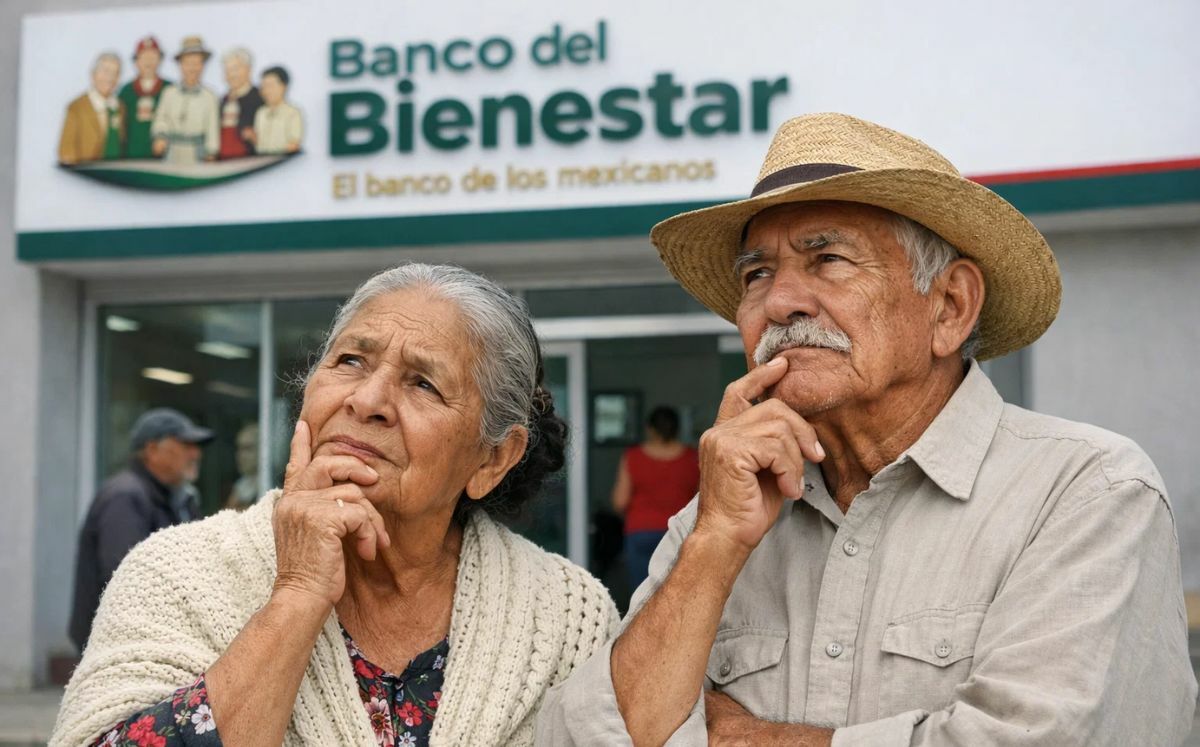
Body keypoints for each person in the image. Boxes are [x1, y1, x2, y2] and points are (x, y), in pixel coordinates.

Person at [537, 113, 1198, 745]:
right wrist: (713, 542)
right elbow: (582, 737)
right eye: (756, 273)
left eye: (827, 260)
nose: (779, 302)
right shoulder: (716, 516)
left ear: (950, 306)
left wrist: (738, 735)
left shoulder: (1087, 491)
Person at [52, 264, 619, 747]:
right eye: (350, 361)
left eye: (422, 383)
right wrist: (296, 595)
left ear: (492, 459)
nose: (367, 400)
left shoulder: (565, 611)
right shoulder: (177, 571)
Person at [68, 408, 213, 651]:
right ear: (152, 450)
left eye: (196, 446)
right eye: (185, 444)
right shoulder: (125, 496)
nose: (195, 453)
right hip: (116, 647)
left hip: (142, 641)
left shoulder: (178, 498)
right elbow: (125, 577)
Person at [611, 406, 699, 590]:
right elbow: (702, 501)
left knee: (642, 594)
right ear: (677, 428)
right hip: (681, 531)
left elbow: (620, 501)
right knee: (677, 592)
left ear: (650, 429)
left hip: (641, 531)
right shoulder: (693, 458)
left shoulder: (633, 456)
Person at [151, 35, 219, 164]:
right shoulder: (169, 93)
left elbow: (212, 129)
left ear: (203, 66)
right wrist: (160, 136)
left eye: (197, 63)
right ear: (180, 65)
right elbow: (161, 119)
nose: (192, 68)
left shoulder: (210, 97)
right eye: (188, 63)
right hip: (172, 151)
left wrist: (211, 152)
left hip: (197, 154)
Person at [58, 52, 125, 165]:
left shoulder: (120, 107)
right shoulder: (76, 108)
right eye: (106, 71)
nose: (110, 78)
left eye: (115, 73)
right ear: (93, 74)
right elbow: (66, 152)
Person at [118, 36, 171, 159]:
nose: (148, 62)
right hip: (132, 157)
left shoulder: (169, 89)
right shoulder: (126, 91)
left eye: (153, 57)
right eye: (144, 57)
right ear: (136, 62)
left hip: (165, 159)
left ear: (160, 60)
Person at [217, 47, 263, 159]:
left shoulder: (260, 98)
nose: (231, 75)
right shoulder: (223, 100)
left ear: (249, 70)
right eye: (227, 70)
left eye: (235, 69)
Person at [250, 66, 303, 154]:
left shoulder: (292, 113)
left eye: (270, 86)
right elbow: (259, 144)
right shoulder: (261, 113)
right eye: (263, 87)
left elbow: (294, 145)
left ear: (284, 87)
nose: (266, 91)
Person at [224, 423, 260, 510]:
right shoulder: (241, 486)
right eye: (239, 449)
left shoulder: (271, 482)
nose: (241, 455)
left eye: (248, 448)